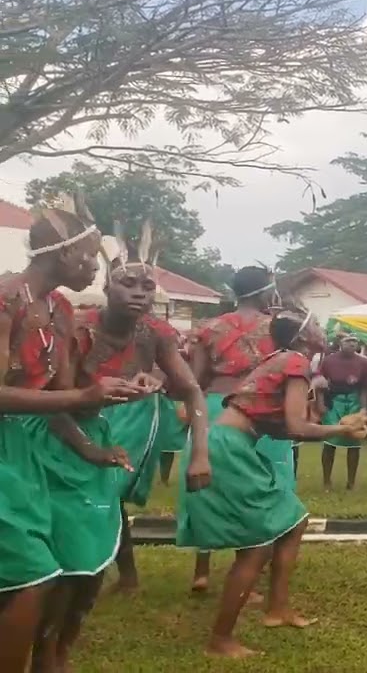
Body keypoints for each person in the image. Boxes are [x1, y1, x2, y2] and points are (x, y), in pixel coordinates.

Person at [0, 201, 144, 672]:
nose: (94, 267)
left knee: (31, 573)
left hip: (22, 451)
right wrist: (84, 394)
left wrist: (92, 445)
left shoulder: (60, 310)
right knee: (31, 576)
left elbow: (58, 398)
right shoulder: (6, 300)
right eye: (87, 256)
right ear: (61, 254)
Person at [177, 307, 367, 658]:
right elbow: (296, 427)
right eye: (316, 324)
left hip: (229, 443)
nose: (322, 329)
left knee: (294, 521)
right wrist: (341, 429)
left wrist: (336, 425)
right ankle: (220, 640)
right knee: (257, 546)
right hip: (229, 447)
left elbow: (276, 427)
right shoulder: (296, 362)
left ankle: (278, 608)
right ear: (303, 336)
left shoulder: (278, 360)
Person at [68, 227, 213, 598]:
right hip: (69, 421)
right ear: (106, 288)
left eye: (147, 287)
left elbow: (192, 390)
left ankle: (108, 577)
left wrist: (200, 454)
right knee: (91, 499)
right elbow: (52, 391)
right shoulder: (77, 326)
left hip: (127, 421)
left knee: (108, 493)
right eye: (128, 284)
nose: (138, 293)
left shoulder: (156, 332)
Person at [186, 264, 282, 593]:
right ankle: (250, 572)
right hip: (259, 411)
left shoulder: (209, 328)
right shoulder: (277, 328)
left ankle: (201, 571)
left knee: (211, 487)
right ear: (265, 292)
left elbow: (195, 382)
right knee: (257, 488)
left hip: (214, 408)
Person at [318, 334, 367, 491]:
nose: (352, 344)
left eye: (355, 341)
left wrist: (364, 408)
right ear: (340, 343)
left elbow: (365, 388)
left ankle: (351, 482)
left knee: (354, 442)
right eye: (348, 341)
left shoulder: (364, 362)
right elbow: (320, 384)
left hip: (354, 401)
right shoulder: (328, 361)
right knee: (330, 441)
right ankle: (326, 481)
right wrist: (320, 404)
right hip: (333, 402)